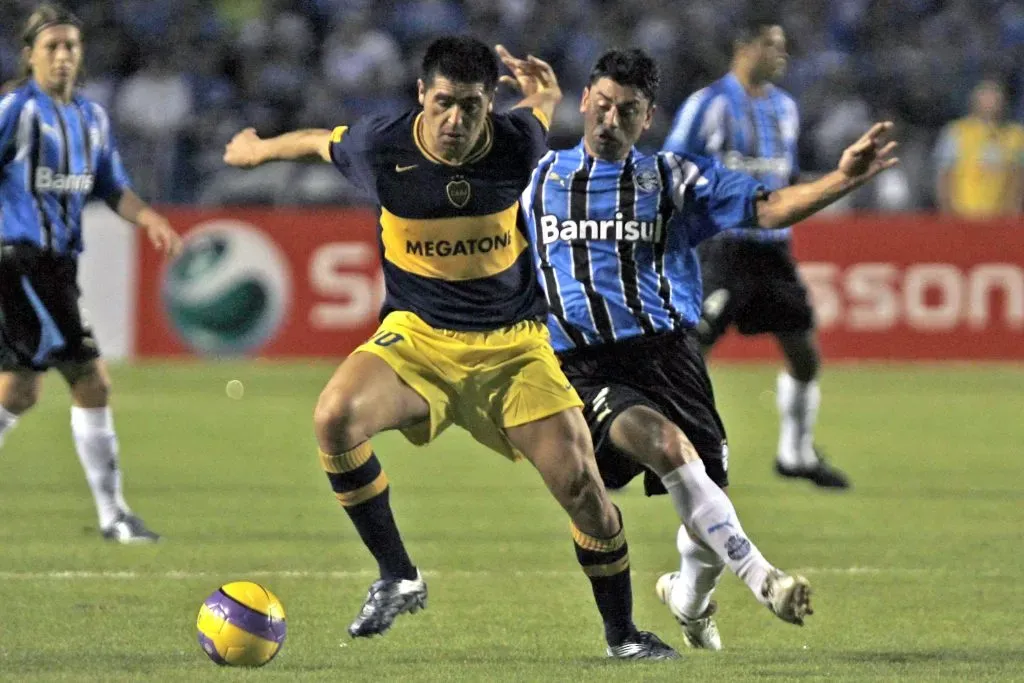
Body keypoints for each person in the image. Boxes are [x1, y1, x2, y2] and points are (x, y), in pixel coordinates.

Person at [223, 36, 676, 660]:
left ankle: (623, 636)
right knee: (334, 417)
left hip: (514, 349)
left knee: (585, 493)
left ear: (490, 103)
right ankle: (399, 575)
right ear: (421, 96)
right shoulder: (381, 147)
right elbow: (316, 140)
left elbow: (541, 107)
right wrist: (256, 151)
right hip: (417, 342)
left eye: (470, 105)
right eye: (443, 103)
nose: (456, 120)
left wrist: (543, 89)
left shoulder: (518, 145)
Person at [524, 48, 897, 648]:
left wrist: (843, 179)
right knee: (667, 448)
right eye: (602, 104)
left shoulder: (674, 178)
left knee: (705, 505)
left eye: (628, 110)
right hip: (585, 366)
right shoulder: (538, 181)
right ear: (585, 102)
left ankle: (688, 600)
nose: (610, 119)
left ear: (646, 119)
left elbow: (770, 206)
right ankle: (765, 579)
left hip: (670, 357)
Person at [0, 4, 181, 542]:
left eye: (71, 47)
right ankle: (113, 515)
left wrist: (148, 216)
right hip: (21, 261)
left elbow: (110, 186)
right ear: (29, 54)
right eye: (51, 47)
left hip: (58, 265)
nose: (62, 56)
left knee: (18, 392)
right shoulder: (15, 109)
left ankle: (114, 515)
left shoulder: (92, 118)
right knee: (91, 380)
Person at [663, 18, 850, 488]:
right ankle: (641, 450)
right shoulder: (707, 106)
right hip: (722, 249)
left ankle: (796, 453)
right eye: (773, 45)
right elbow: (671, 167)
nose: (782, 55)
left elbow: (784, 176)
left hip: (772, 251)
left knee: (804, 355)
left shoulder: (786, 108)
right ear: (744, 47)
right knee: (685, 352)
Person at [934, 78, 1024, 217]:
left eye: (996, 94)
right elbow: (944, 175)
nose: (992, 100)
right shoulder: (956, 132)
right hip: (963, 217)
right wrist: (948, 214)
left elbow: (1018, 177)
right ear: (974, 99)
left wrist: (1013, 213)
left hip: (1001, 219)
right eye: (986, 94)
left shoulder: (1016, 135)